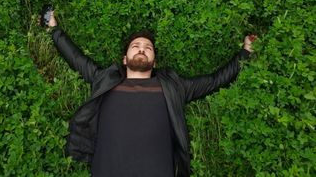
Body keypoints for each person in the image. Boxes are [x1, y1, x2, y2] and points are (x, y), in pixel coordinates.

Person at [42, 10, 257, 177]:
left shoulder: (174, 86)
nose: (142, 49)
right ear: (125, 59)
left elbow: (215, 81)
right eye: (135, 46)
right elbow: (76, 59)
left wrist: (245, 52)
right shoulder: (105, 79)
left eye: (148, 47)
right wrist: (53, 28)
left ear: (154, 61)